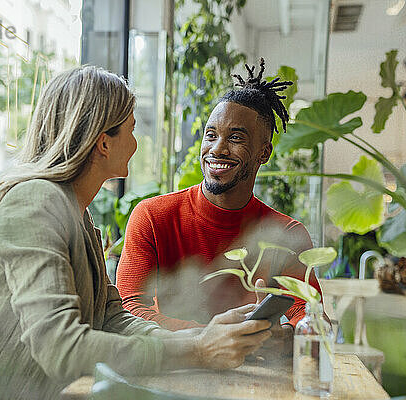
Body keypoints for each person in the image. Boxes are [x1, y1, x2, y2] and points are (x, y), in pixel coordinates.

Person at [0, 66, 272, 400]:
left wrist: (206, 335)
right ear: (104, 142)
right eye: (131, 128)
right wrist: (196, 350)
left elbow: (112, 318)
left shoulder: (78, 216)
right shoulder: (35, 203)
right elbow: (61, 348)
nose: (136, 142)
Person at [116, 58, 323, 332]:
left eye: (236, 138)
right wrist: (215, 336)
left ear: (264, 152)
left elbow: (309, 317)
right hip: (176, 367)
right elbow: (129, 309)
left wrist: (287, 336)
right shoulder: (153, 217)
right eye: (210, 135)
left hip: (255, 369)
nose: (217, 149)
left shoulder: (287, 234)